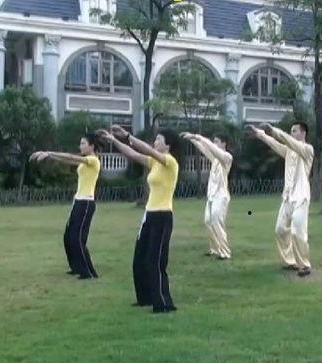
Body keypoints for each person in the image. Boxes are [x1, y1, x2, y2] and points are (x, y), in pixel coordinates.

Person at [97, 126, 178, 313]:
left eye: (159, 139)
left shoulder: (170, 162)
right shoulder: (155, 162)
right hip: (149, 215)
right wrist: (114, 140)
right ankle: (145, 298)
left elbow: (147, 150)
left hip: (162, 216)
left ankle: (163, 303)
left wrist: (127, 135)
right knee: (140, 259)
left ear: (168, 145)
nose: (155, 142)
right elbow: (133, 154)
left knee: (155, 261)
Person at [246, 122, 314, 277]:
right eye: (291, 131)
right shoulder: (289, 151)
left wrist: (274, 130)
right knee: (280, 229)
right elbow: (274, 144)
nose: (291, 133)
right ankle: (290, 261)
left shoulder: (307, 149)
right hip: (288, 197)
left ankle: (304, 265)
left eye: (294, 130)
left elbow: (287, 140)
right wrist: (259, 133)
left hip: (301, 197)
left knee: (297, 231)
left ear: (303, 133)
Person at [30, 133, 101, 280]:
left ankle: (88, 272)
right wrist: (49, 156)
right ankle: (75, 267)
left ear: (92, 146)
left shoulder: (93, 160)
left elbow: (70, 156)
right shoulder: (84, 162)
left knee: (77, 238)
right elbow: (67, 159)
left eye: (83, 143)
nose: (80, 146)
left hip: (86, 203)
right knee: (68, 237)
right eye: (80, 143)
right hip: (78, 201)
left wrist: (49, 152)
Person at [181, 132, 233, 260]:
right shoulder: (215, 159)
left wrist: (199, 137)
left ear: (224, 143)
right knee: (208, 221)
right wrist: (193, 139)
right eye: (214, 141)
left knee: (216, 221)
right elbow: (204, 149)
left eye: (217, 141)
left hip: (221, 196)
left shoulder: (227, 157)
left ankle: (225, 252)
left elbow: (213, 149)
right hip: (212, 195)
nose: (214, 144)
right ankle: (215, 249)